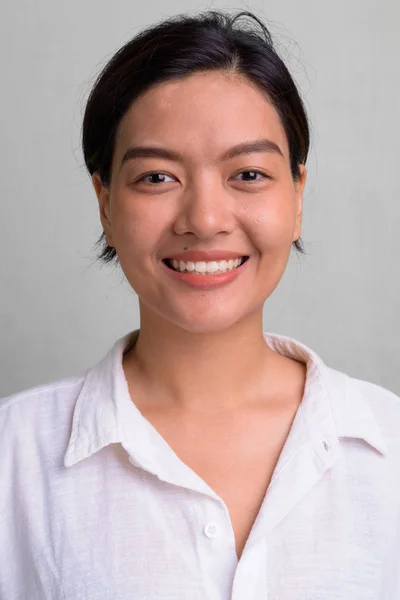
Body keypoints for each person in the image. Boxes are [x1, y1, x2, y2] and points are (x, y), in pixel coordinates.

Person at [1, 9, 399, 599]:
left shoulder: (388, 446)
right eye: (158, 178)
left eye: (248, 173)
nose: (205, 220)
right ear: (105, 204)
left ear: (297, 194)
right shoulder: (13, 457)